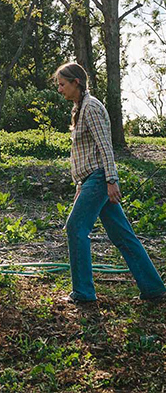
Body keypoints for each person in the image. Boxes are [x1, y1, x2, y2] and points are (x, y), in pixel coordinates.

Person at [55, 62, 166, 302]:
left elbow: (105, 146)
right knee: (123, 235)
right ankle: (154, 289)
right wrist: (79, 188)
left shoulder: (92, 107)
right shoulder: (79, 108)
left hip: (99, 178)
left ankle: (83, 293)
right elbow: (86, 153)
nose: (60, 89)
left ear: (76, 82)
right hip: (92, 180)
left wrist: (111, 180)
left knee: (76, 228)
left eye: (62, 84)